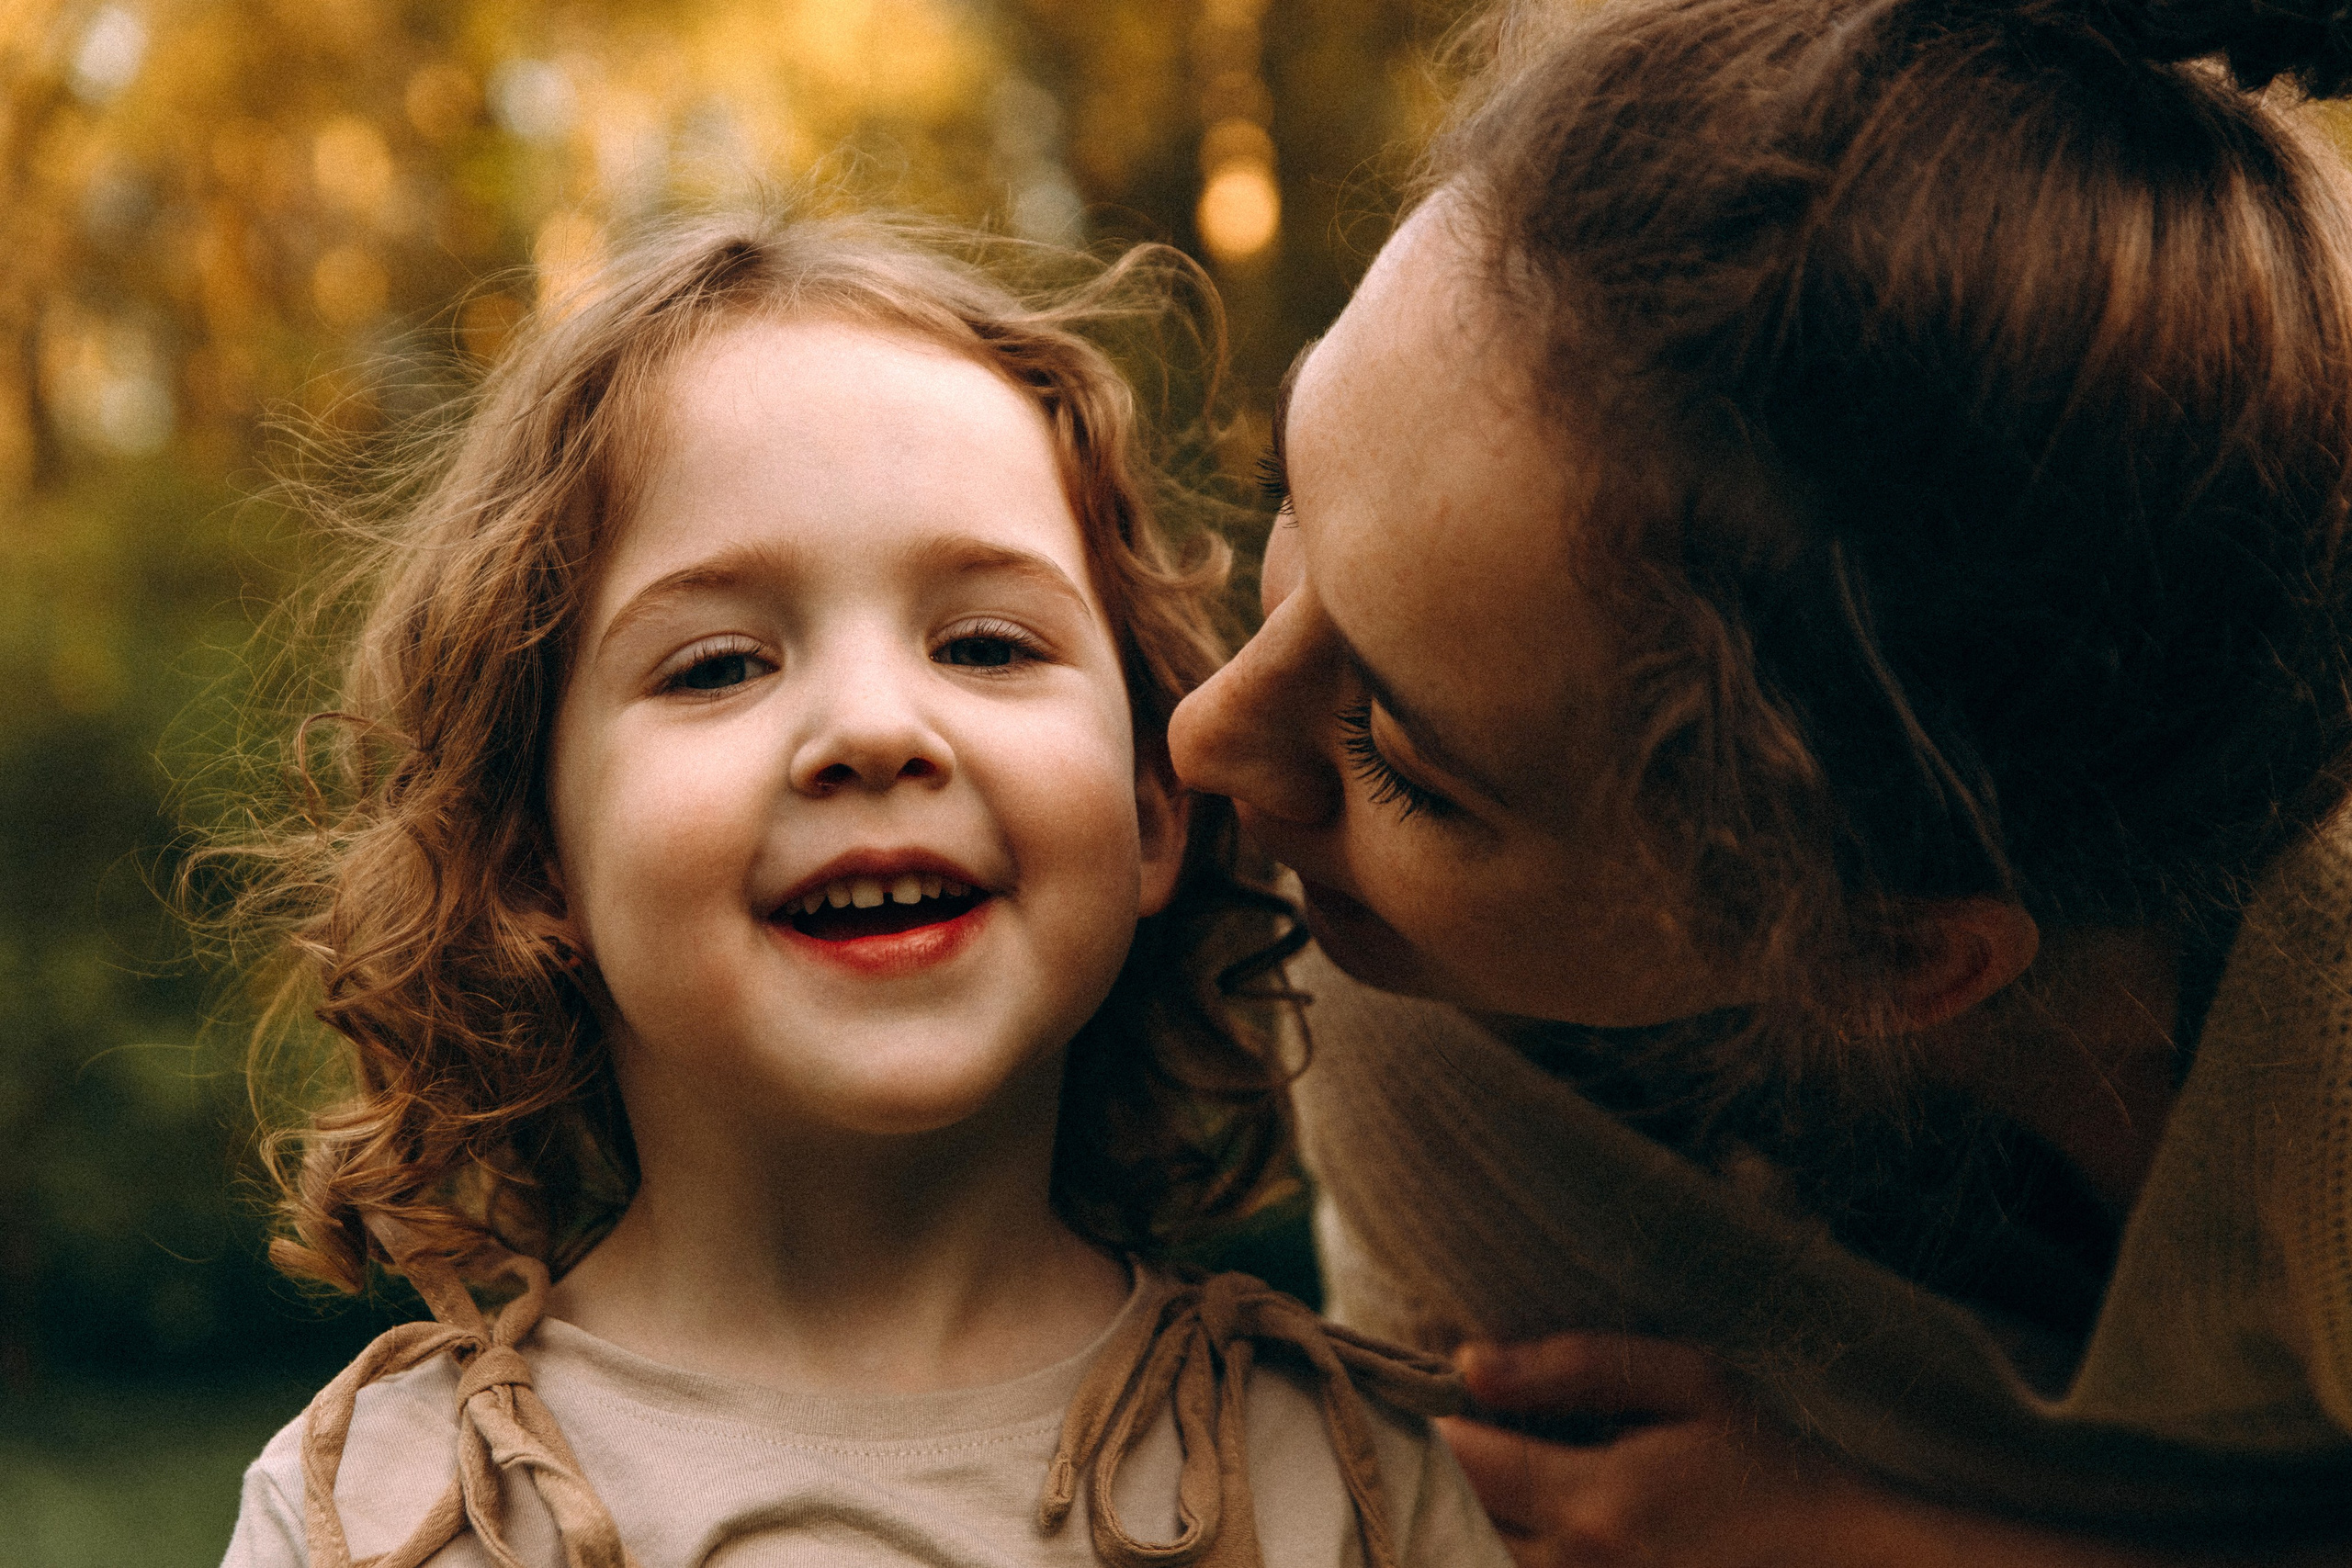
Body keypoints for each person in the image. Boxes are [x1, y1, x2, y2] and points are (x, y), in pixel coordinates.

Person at [1167, 0, 2352, 1561]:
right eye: (1293, 502)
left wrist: (1868, 1542)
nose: (1208, 738)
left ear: (1884, 952)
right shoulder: (1417, 987)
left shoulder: (2320, 1016)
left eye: (1398, 758)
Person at [209, 207, 1510, 1568]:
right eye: (719, 666)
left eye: (987, 645)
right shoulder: (384, 1517)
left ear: (1148, 809)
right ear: (533, 858)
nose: (876, 728)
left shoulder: (1349, 1486)